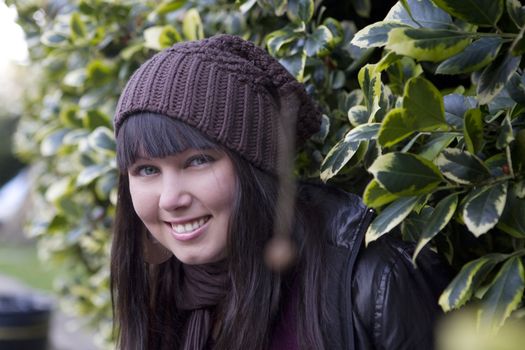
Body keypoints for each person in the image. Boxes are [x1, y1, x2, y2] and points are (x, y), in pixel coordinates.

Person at [110, 34, 451, 350]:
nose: (170, 199)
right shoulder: (163, 288)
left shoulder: (374, 281)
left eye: (198, 161)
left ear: (256, 167)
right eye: (147, 170)